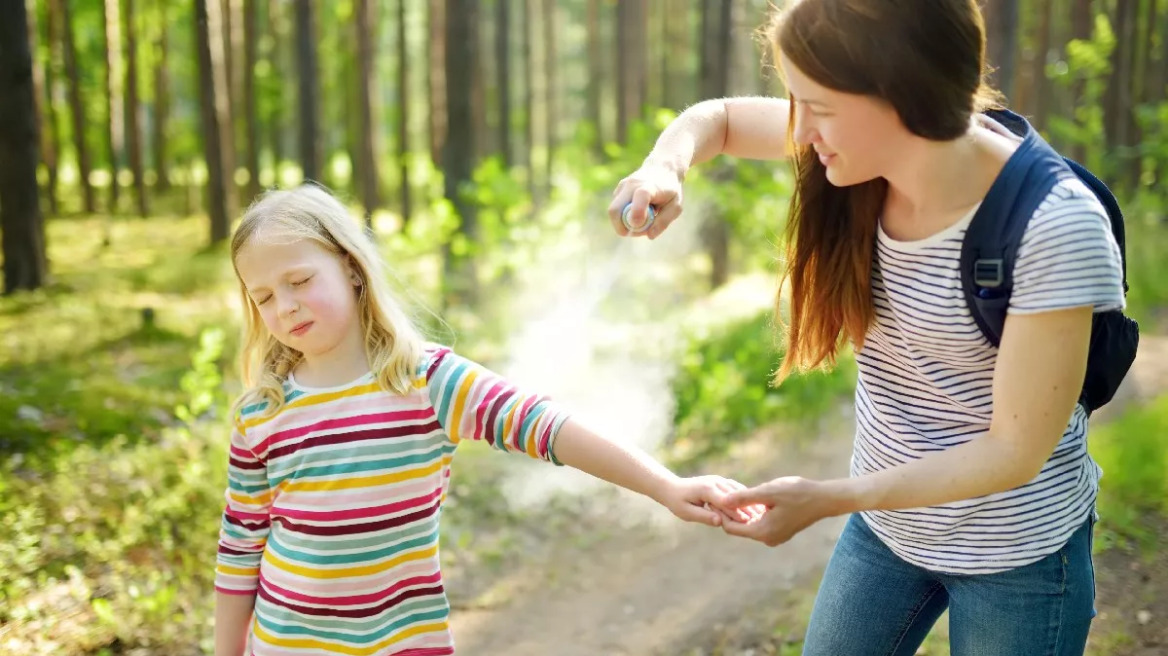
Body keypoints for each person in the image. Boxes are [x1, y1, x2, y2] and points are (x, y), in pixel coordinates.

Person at [609, 1, 1125, 654]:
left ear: (901, 92)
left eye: (816, 106)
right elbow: (721, 119)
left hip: (1016, 554)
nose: (801, 128)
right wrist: (665, 166)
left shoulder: (1054, 226)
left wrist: (831, 497)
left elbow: (1013, 453)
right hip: (887, 533)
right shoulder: (855, 152)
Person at [213, 184, 749, 656]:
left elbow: (547, 427)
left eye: (299, 280)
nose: (284, 306)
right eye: (262, 296)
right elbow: (240, 549)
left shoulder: (426, 382)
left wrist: (665, 486)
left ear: (351, 266)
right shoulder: (263, 414)